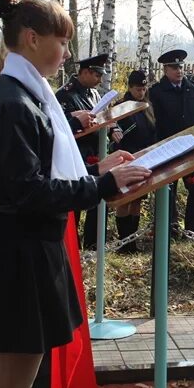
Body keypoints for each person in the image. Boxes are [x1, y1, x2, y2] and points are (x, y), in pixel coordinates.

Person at [0, 0, 150, 388]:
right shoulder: (14, 102)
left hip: (27, 251)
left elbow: (44, 171)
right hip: (21, 257)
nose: (68, 53)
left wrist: (96, 173)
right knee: (14, 384)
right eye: (63, 41)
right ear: (33, 38)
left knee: (11, 379)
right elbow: (30, 192)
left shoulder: (25, 93)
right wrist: (102, 184)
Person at [55, 53, 123, 249]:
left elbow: (103, 116)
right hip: (77, 154)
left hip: (97, 151)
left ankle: (92, 244)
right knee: (75, 199)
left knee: (96, 198)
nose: (100, 79)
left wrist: (113, 128)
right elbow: (62, 127)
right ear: (84, 72)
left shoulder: (94, 93)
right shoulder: (65, 94)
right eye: (96, 74)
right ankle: (71, 247)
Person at [149, 49, 194, 234]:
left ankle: (193, 231)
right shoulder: (156, 92)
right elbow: (152, 122)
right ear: (165, 70)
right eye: (174, 67)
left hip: (192, 150)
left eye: (180, 66)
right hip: (167, 151)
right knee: (167, 192)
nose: (179, 70)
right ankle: (169, 230)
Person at [113, 70, 157, 251]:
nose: (141, 92)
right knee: (125, 199)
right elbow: (113, 126)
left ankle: (132, 241)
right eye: (138, 89)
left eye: (144, 88)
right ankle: (124, 242)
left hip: (145, 156)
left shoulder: (148, 105)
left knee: (137, 199)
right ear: (130, 88)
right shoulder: (121, 106)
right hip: (126, 157)